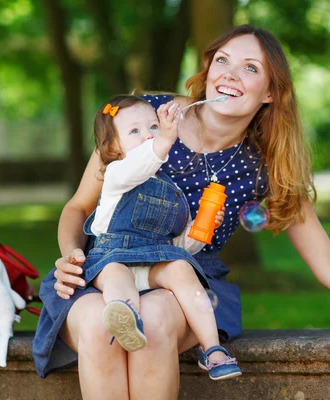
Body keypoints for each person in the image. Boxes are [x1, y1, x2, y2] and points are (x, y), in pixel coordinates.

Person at [33, 24, 330, 399]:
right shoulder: (146, 119)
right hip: (103, 267)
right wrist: (71, 256)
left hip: (185, 282)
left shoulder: (265, 168)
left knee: (150, 323)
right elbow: (78, 206)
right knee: (98, 324)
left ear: (270, 93)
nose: (230, 73)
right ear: (208, 70)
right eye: (223, 60)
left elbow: (329, 263)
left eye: (250, 68)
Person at [73, 94, 241, 379]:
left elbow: (179, 245)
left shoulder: (172, 190)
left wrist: (202, 228)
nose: (148, 135)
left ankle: (212, 350)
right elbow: (142, 163)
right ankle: (126, 319)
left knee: (181, 267)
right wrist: (164, 138)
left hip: (155, 259)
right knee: (116, 275)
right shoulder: (116, 173)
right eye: (134, 131)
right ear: (114, 146)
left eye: (152, 127)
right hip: (114, 257)